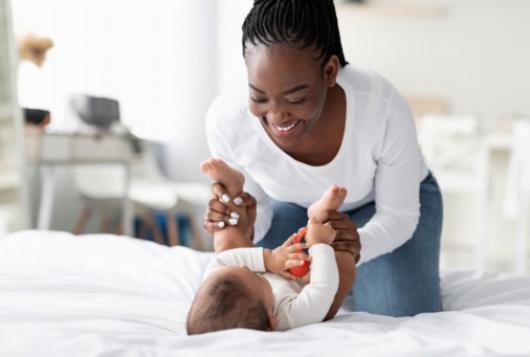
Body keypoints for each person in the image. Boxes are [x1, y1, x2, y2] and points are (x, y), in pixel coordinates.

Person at [203, 0, 443, 316]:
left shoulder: (380, 106)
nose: (276, 115)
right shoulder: (228, 120)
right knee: (234, 301)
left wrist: (354, 243)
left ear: (329, 71)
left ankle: (373, 272)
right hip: (293, 211)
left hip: (382, 211)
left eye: (296, 98)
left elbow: (398, 216)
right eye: (259, 97)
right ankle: (354, 274)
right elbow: (262, 210)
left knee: (399, 314)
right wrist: (244, 224)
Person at [187, 158, 351, 334]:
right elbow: (322, 290)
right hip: (303, 273)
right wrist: (319, 244)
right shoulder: (290, 316)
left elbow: (223, 260)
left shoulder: (216, 283)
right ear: (271, 319)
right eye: (255, 276)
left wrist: (269, 260)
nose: (245, 267)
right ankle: (322, 217)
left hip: (276, 260)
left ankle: (232, 191)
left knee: (226, 244)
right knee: (331, 295)